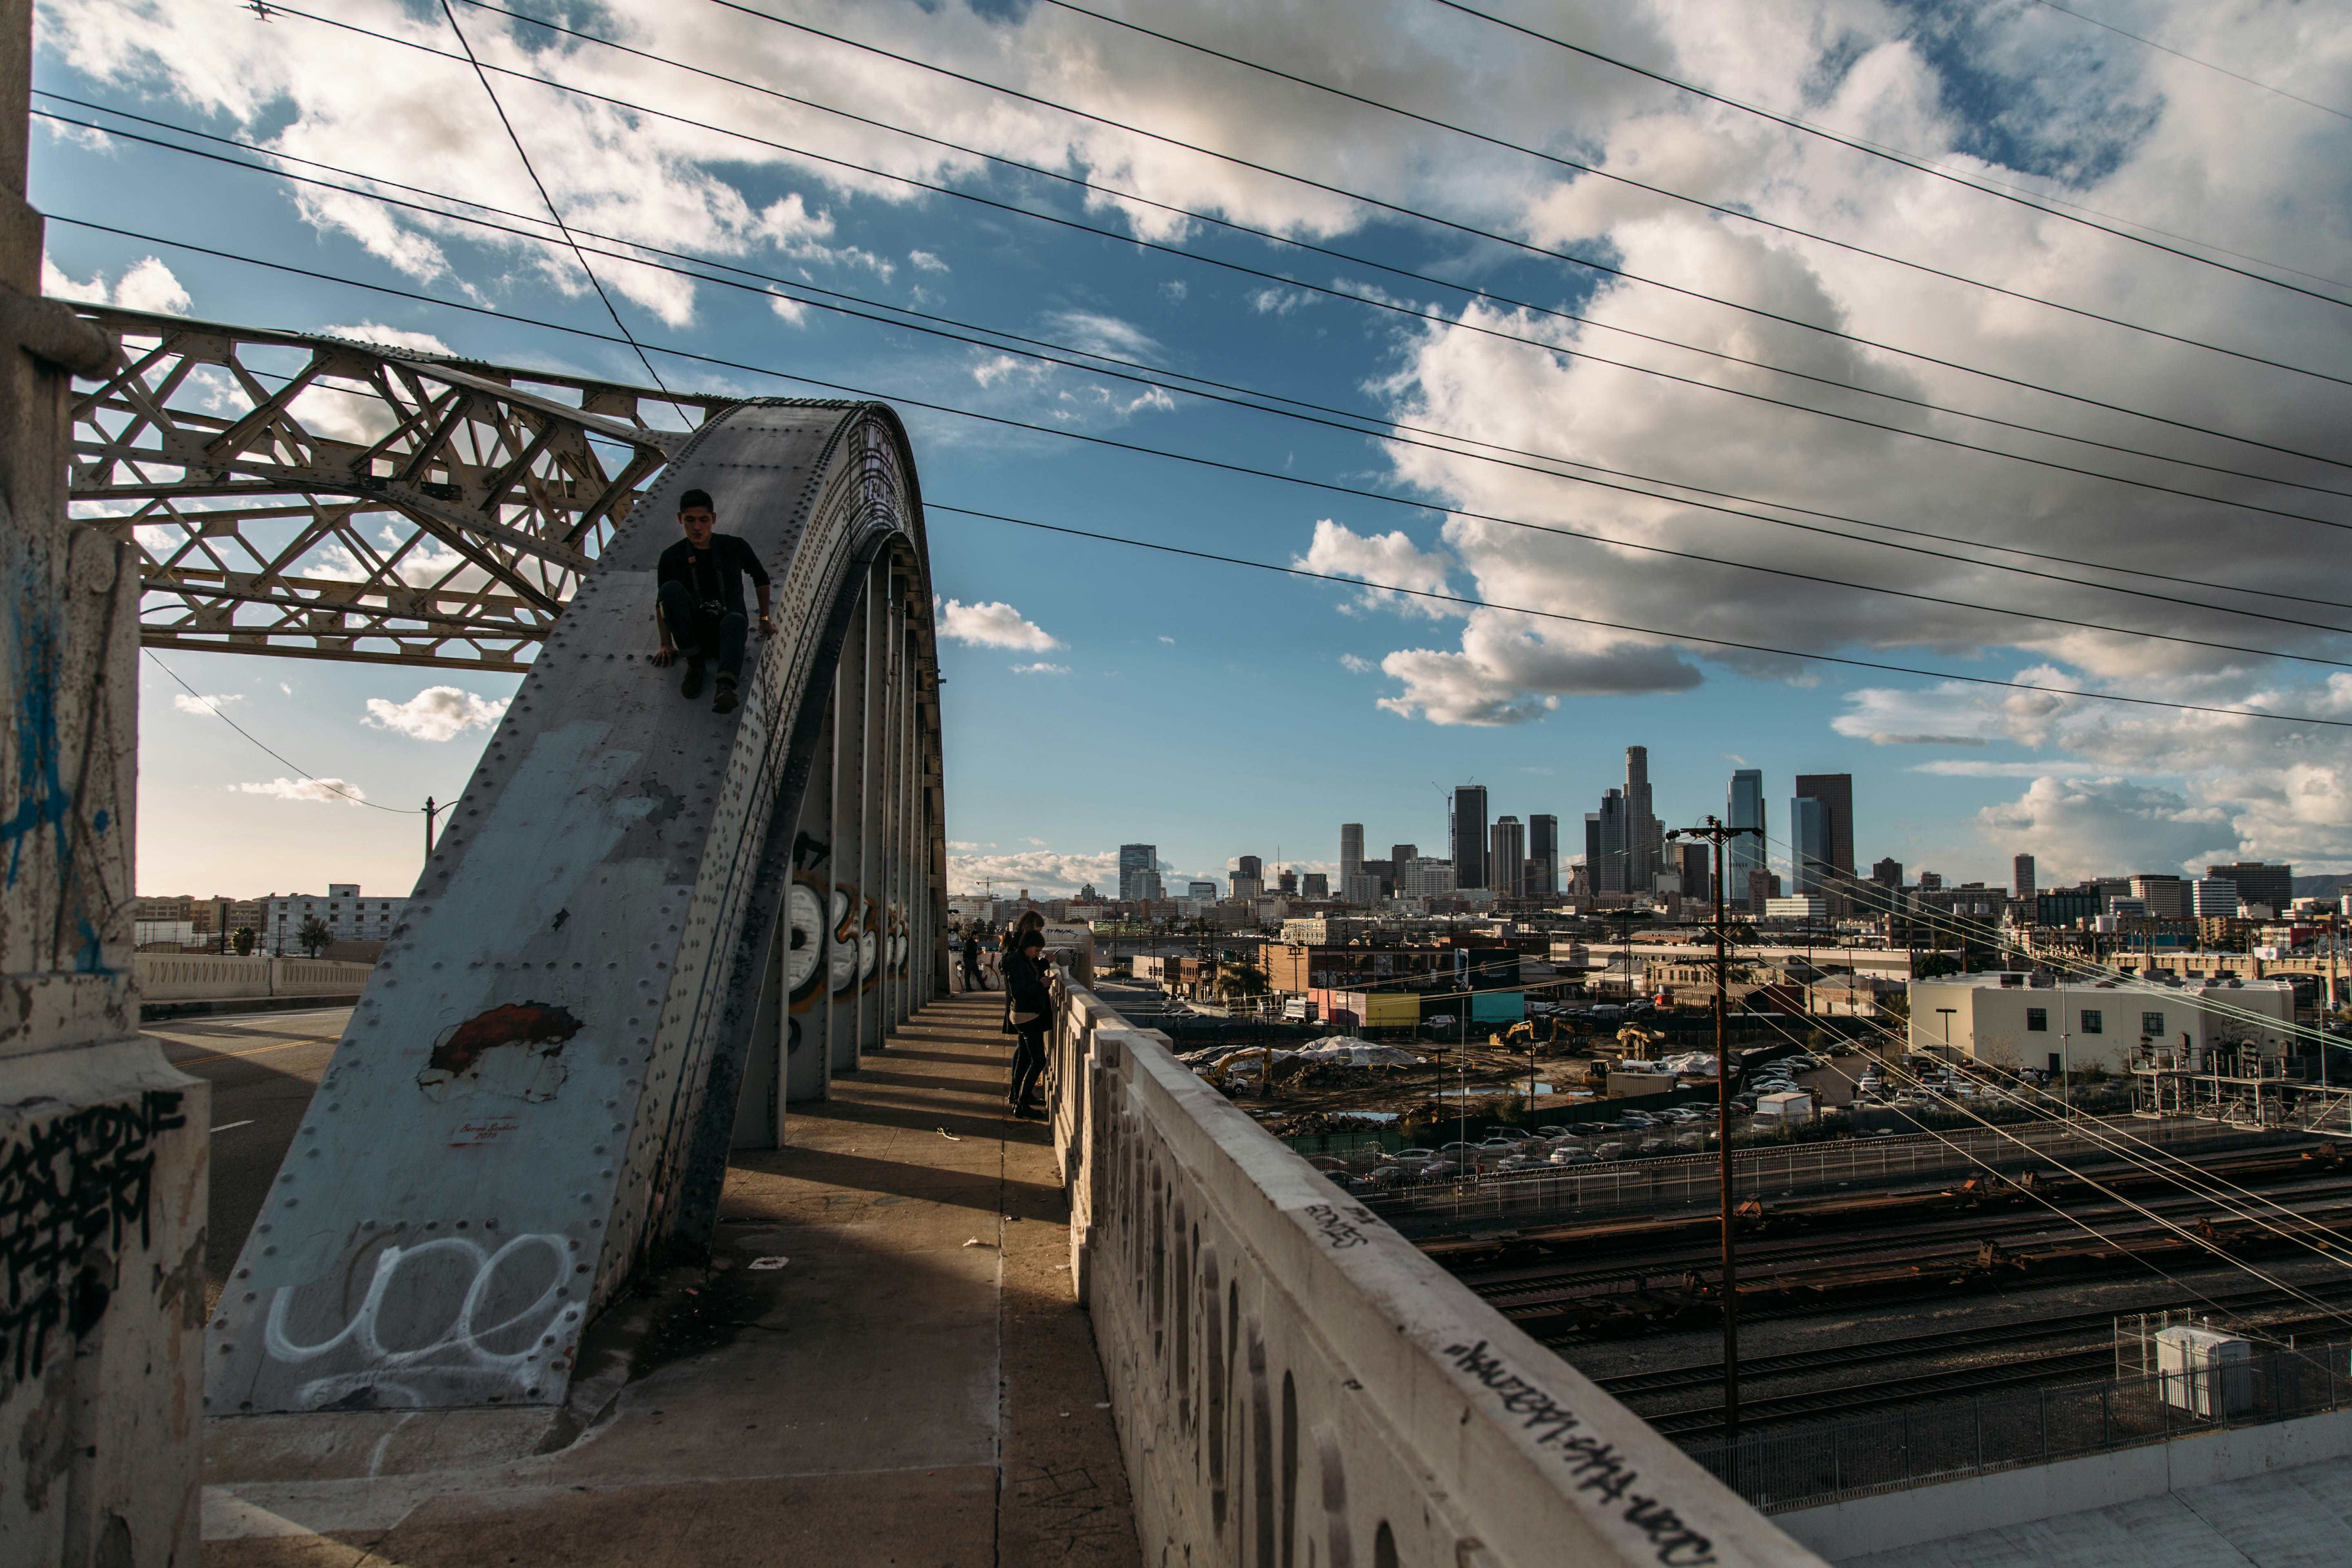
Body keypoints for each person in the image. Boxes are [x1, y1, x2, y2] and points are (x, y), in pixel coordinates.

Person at [651, 488, 773, 714]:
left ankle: (725, 687)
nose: (697, 527)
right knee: (669, 589)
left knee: (735, 619)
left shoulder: (734, 547)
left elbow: (761, 577)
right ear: (680, 519)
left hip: (729, 630)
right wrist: (665, 643)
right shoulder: (672, 556)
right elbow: (662, 602)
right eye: (690, 520)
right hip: (694, 634)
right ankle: (695, 666)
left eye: (703, 520)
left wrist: (764, 619)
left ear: (713, 519)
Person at [1002, 927, 1052, 1118]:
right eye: (1036, 951)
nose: (1037, 955)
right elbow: (1019, 991)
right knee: (1038, 1060)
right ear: (1028, 946)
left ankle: (1018, 1100)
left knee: (1024, 1058)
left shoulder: (1020, 960)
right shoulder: (1017, 963)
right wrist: (1041, 985)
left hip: (1022, 1015)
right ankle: (1022, 1104)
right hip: (1027, 1016)